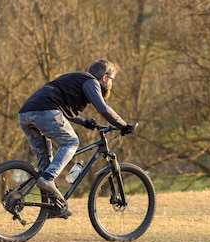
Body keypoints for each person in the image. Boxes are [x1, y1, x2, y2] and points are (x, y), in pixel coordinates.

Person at [18, 59, 135, 216]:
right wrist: (123, 125)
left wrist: (85, 122)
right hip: (45, 112)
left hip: (26, 114)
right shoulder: (91, 81)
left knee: (45, 165)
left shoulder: (77, 80)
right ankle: (48, 179)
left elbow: (64, 112)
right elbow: (103, 109)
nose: (111, 83)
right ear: (105, 77)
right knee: (71, 142)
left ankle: (53, 207)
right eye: (112, 78)